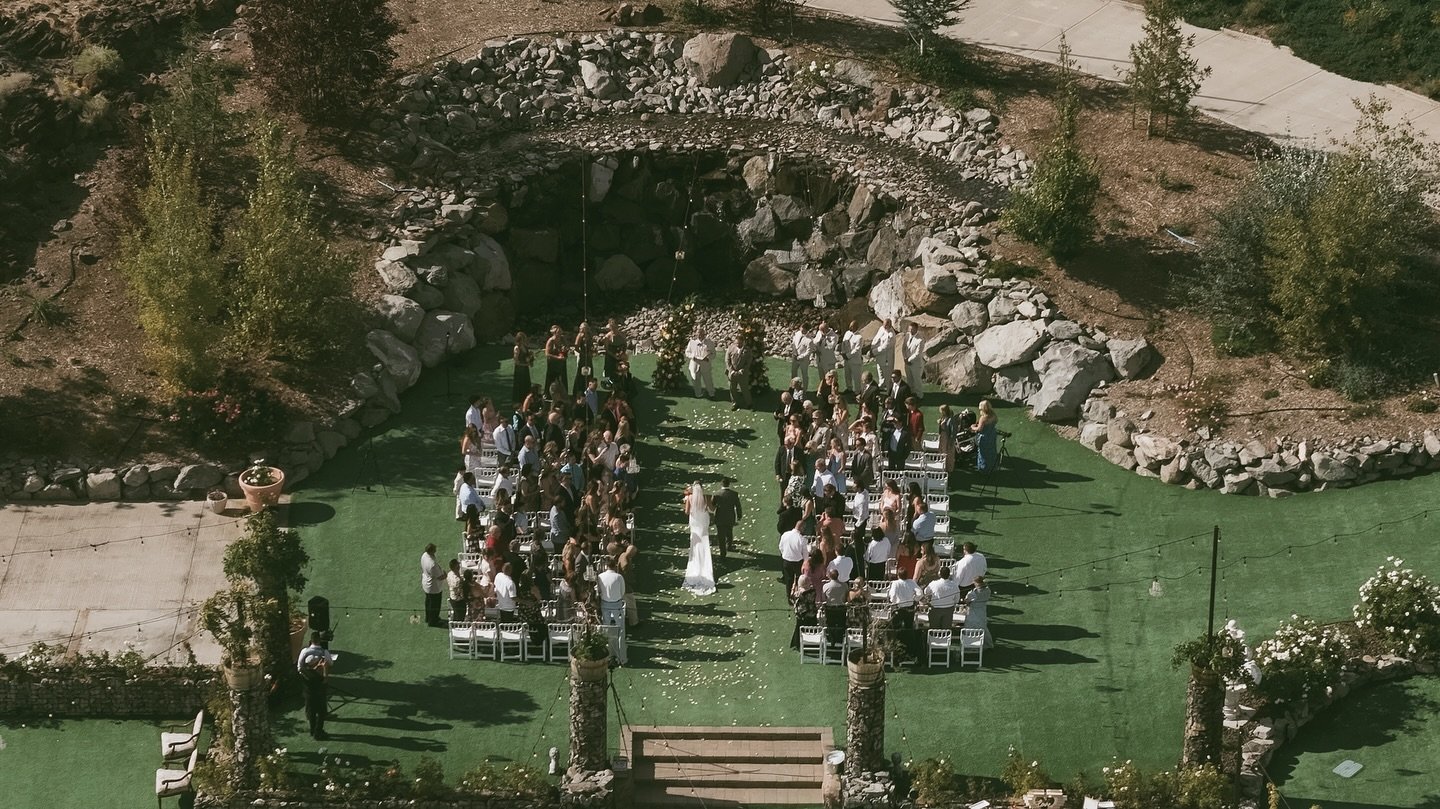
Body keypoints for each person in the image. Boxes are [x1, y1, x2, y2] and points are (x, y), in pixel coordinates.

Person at [296, 632, 335, 740]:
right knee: (321, 710)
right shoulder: (324, 652)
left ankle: (312, 730)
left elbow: (299, 667)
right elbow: (330, 663)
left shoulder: (304, 651)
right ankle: (318, 732)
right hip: (319, 685)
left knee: (311, 709)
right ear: (319, 640)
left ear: (311, 640)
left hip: (307, 686)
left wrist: (307, 676)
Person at [682, 482, 716, 595]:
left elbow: (687, 512)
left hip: (695, 521)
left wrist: (687, 503)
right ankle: (705, 563)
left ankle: (697, 562)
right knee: (704, 542)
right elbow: (711, 509)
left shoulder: (690, 498)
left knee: (695, 543)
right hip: (703, 521)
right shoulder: (706, 497)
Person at [711, 477, 743, 560]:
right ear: (729, 484)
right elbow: (738, 506)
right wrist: (739, 515)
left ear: (721, 484)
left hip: (719, 517)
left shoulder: (716, 494)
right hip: (730, 516)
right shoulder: (734, 494)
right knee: (729, 532)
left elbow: (713, 504)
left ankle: (723, 553)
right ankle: (729, 546)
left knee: (721, 535)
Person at [779, 519, 808, 599]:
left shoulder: (785, 534)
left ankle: (788, 596)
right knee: (799, 579)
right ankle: (799, 595)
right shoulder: (802, 539)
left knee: (789, 579)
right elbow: (805, 554)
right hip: (798, 562)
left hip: (786, 561)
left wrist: (785, 554)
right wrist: (806, 562)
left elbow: (781, 547)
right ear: (802, 528)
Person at [925, 566, 960, 630]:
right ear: (949, 575)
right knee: (946, 630)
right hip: (948, 609)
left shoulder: (933, 583)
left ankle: (934, 639)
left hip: (935, 609)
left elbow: (926, 592)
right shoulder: (954, 585)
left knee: (934, 630)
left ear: (940, 574)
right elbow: (957, 599)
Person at [685, 327, 715, 398]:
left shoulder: (709, 343)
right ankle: (698, 393)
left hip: (705, 364)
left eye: (701, 333)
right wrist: (692, 357)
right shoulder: (692, 342)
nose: (700, 335)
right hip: (695, 364)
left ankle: (711, 393)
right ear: (696, 334)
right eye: (698, 333)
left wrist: (708, 358)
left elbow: (713, 353)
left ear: (704, 334)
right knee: (695, 380)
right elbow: (687, 352)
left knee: (708, 380)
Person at [963, 576, 993, 648]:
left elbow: (967, 601)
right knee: (983, 627)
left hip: (973, 611)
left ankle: (970, 644)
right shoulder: (988, 590)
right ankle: (988, 644)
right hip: (982, 610)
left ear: (977, 583)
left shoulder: (972, 593)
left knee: (969, 627)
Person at [420, 544, 446, 627]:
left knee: (428, 602)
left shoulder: (424, 555)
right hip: (433, 587)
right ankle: (434, 621)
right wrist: (445, 574)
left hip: (426, 582)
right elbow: (440, 577)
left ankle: (428, 618)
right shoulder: (432, 565)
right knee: (435, 605)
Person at [597, 557, 626, 625]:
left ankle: (606, 635)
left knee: (606, 623)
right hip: (616, 604)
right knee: (619, 623)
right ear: (615, 566)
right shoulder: (619, 577)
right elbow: (622, 591)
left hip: (605, 603)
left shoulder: (600, 576)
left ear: (606, 566)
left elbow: (599, 590)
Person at [822, 569, 848, 644]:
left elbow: (824, 598)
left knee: (830, 624)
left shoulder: (826, 586)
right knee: (841, 624)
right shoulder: (844, 585)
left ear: (829, 576)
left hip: (830, 609)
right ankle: (840, 639)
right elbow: (846, 597)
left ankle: (831, 639)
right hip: (841, 608)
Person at [725, 335, 751, 410]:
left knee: (744, 389)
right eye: (737, 344)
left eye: (740, 344)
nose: (738, 345)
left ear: (743, 343)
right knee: (732, 389)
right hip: (732, 373)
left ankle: (748, 403)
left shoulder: (747, 350)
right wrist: (731, 370)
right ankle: (735, 403)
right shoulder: (731, 348)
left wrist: (742, 370)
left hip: (742, 373)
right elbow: (727, 360)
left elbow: (748, 362)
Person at [973, 399, 999, 473]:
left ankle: (983, 469)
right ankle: (992, 467)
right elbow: (996, 421)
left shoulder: (983, 418)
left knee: (983, 453)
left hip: (984, 437)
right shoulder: (993, 415)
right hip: (992, 434)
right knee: (992, 451)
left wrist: (972, 427)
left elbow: (979, 429)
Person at [840, 320, 865, 395]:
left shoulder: (859, 337)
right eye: (850, 326)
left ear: (856, 327)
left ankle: (857, 391)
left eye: (852, 326)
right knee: (847, 375)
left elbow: (857, 350)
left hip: (855, 360)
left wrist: (848, 355)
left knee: (856, 377)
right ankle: (849, 388)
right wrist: (843, 352)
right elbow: (843, 343)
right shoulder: (847, 333)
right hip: (846, 359)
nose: (850, 327)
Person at [902, 322, 926, 399]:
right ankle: (911, 392)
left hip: (915, 363)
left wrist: (909, 359)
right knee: (909, 378)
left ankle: (919, 395)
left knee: (917, 380)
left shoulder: (920, 340)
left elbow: (918, 353)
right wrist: (905, 358)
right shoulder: (907, 336)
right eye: (909, 329)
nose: (910, 331)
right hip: (907, 362)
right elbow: (904, 348)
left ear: (916, 329)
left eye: (912, 329)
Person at [544, 325, 568, 396]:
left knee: (562, 378)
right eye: (558, 332)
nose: (560, 333)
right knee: (552, 379)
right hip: (553, 363)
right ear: (554, 333)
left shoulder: (563, 339)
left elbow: (567, 347)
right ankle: (549, 394)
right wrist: (557, 357)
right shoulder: (551, 341)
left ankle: (562, 393)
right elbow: (547, 354)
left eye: (560, 331)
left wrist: (565, 350)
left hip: (561, 363)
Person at [871, 319, 896, 383]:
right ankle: (881, 387)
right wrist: (872, 348)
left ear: (890, 325)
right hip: (879, 357)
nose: (884, 327)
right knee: (880, 375)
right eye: (883, 325)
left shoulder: (891, 335)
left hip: (886, 359)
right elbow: (876, 338)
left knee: (887, 377)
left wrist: (874, 352)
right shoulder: (881, 328)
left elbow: (884, 347)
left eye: (886, 325)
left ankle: (888, 391)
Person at [512, 333, 533, 406]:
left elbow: (527, 357)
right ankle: (518, 401)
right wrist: (525, 364)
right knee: (519, 385)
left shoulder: (525, 347)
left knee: (526, 384)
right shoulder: (517, 348)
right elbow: (516, 361)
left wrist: (530, 358)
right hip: (520, 370)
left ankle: (526, 400)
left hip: (525, 369)